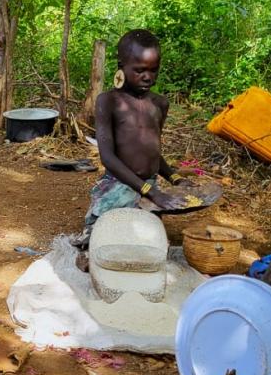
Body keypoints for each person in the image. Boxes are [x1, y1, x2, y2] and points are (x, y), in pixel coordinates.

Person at [80, 29, 192, 247]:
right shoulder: (108, 101)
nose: (148, 76)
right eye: (139, 70)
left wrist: (175, 178)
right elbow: (108, 158)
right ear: (122, 66)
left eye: (153, 70)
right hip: (118, 185)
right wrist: (150, 192)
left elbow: (152, 154)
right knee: (102, 238)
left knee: (147, 243)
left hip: (148, 186)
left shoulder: (160, 104)